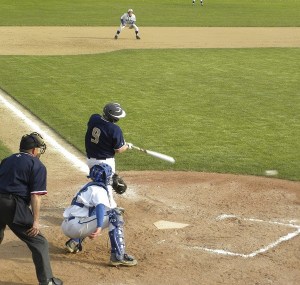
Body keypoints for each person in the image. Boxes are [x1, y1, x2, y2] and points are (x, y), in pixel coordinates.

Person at [0, 132, 63, 285]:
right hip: (12, 205)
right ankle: (47, 281)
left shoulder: (6, 160)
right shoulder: (37, 165)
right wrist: (35, 221)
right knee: (39, 242)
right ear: (34, 150)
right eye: (39, 149)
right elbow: (36, 196)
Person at [61, 163, 137, 266]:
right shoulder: (100, 190)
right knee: (115, 214)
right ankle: (118, 256)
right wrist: (99, 227)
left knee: (93, 212)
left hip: (68, 225)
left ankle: (74, 242)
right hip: (76, 227)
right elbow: (101, 208)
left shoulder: (87, 187)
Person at [85, 102, 132, 188]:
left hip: (90, 161)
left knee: (98, 183)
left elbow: (99, 131)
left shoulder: (94, 118)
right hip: (105, 163)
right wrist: (127, 146)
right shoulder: (115, 129)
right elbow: (118, 149)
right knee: (107, 187)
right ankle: (107, 201)